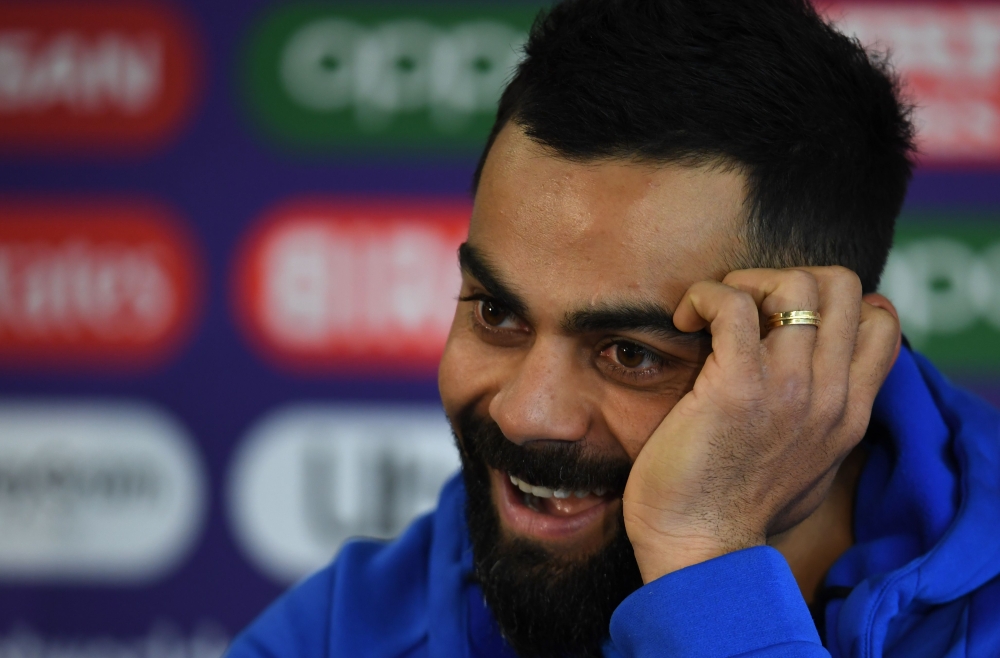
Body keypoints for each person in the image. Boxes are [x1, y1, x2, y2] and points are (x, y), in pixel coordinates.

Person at [227, 0, 1000, 656]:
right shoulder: (346, 632)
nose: (527, 414)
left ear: (831, 350)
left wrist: (705, 558)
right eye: (497, 314)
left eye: (630, 354)